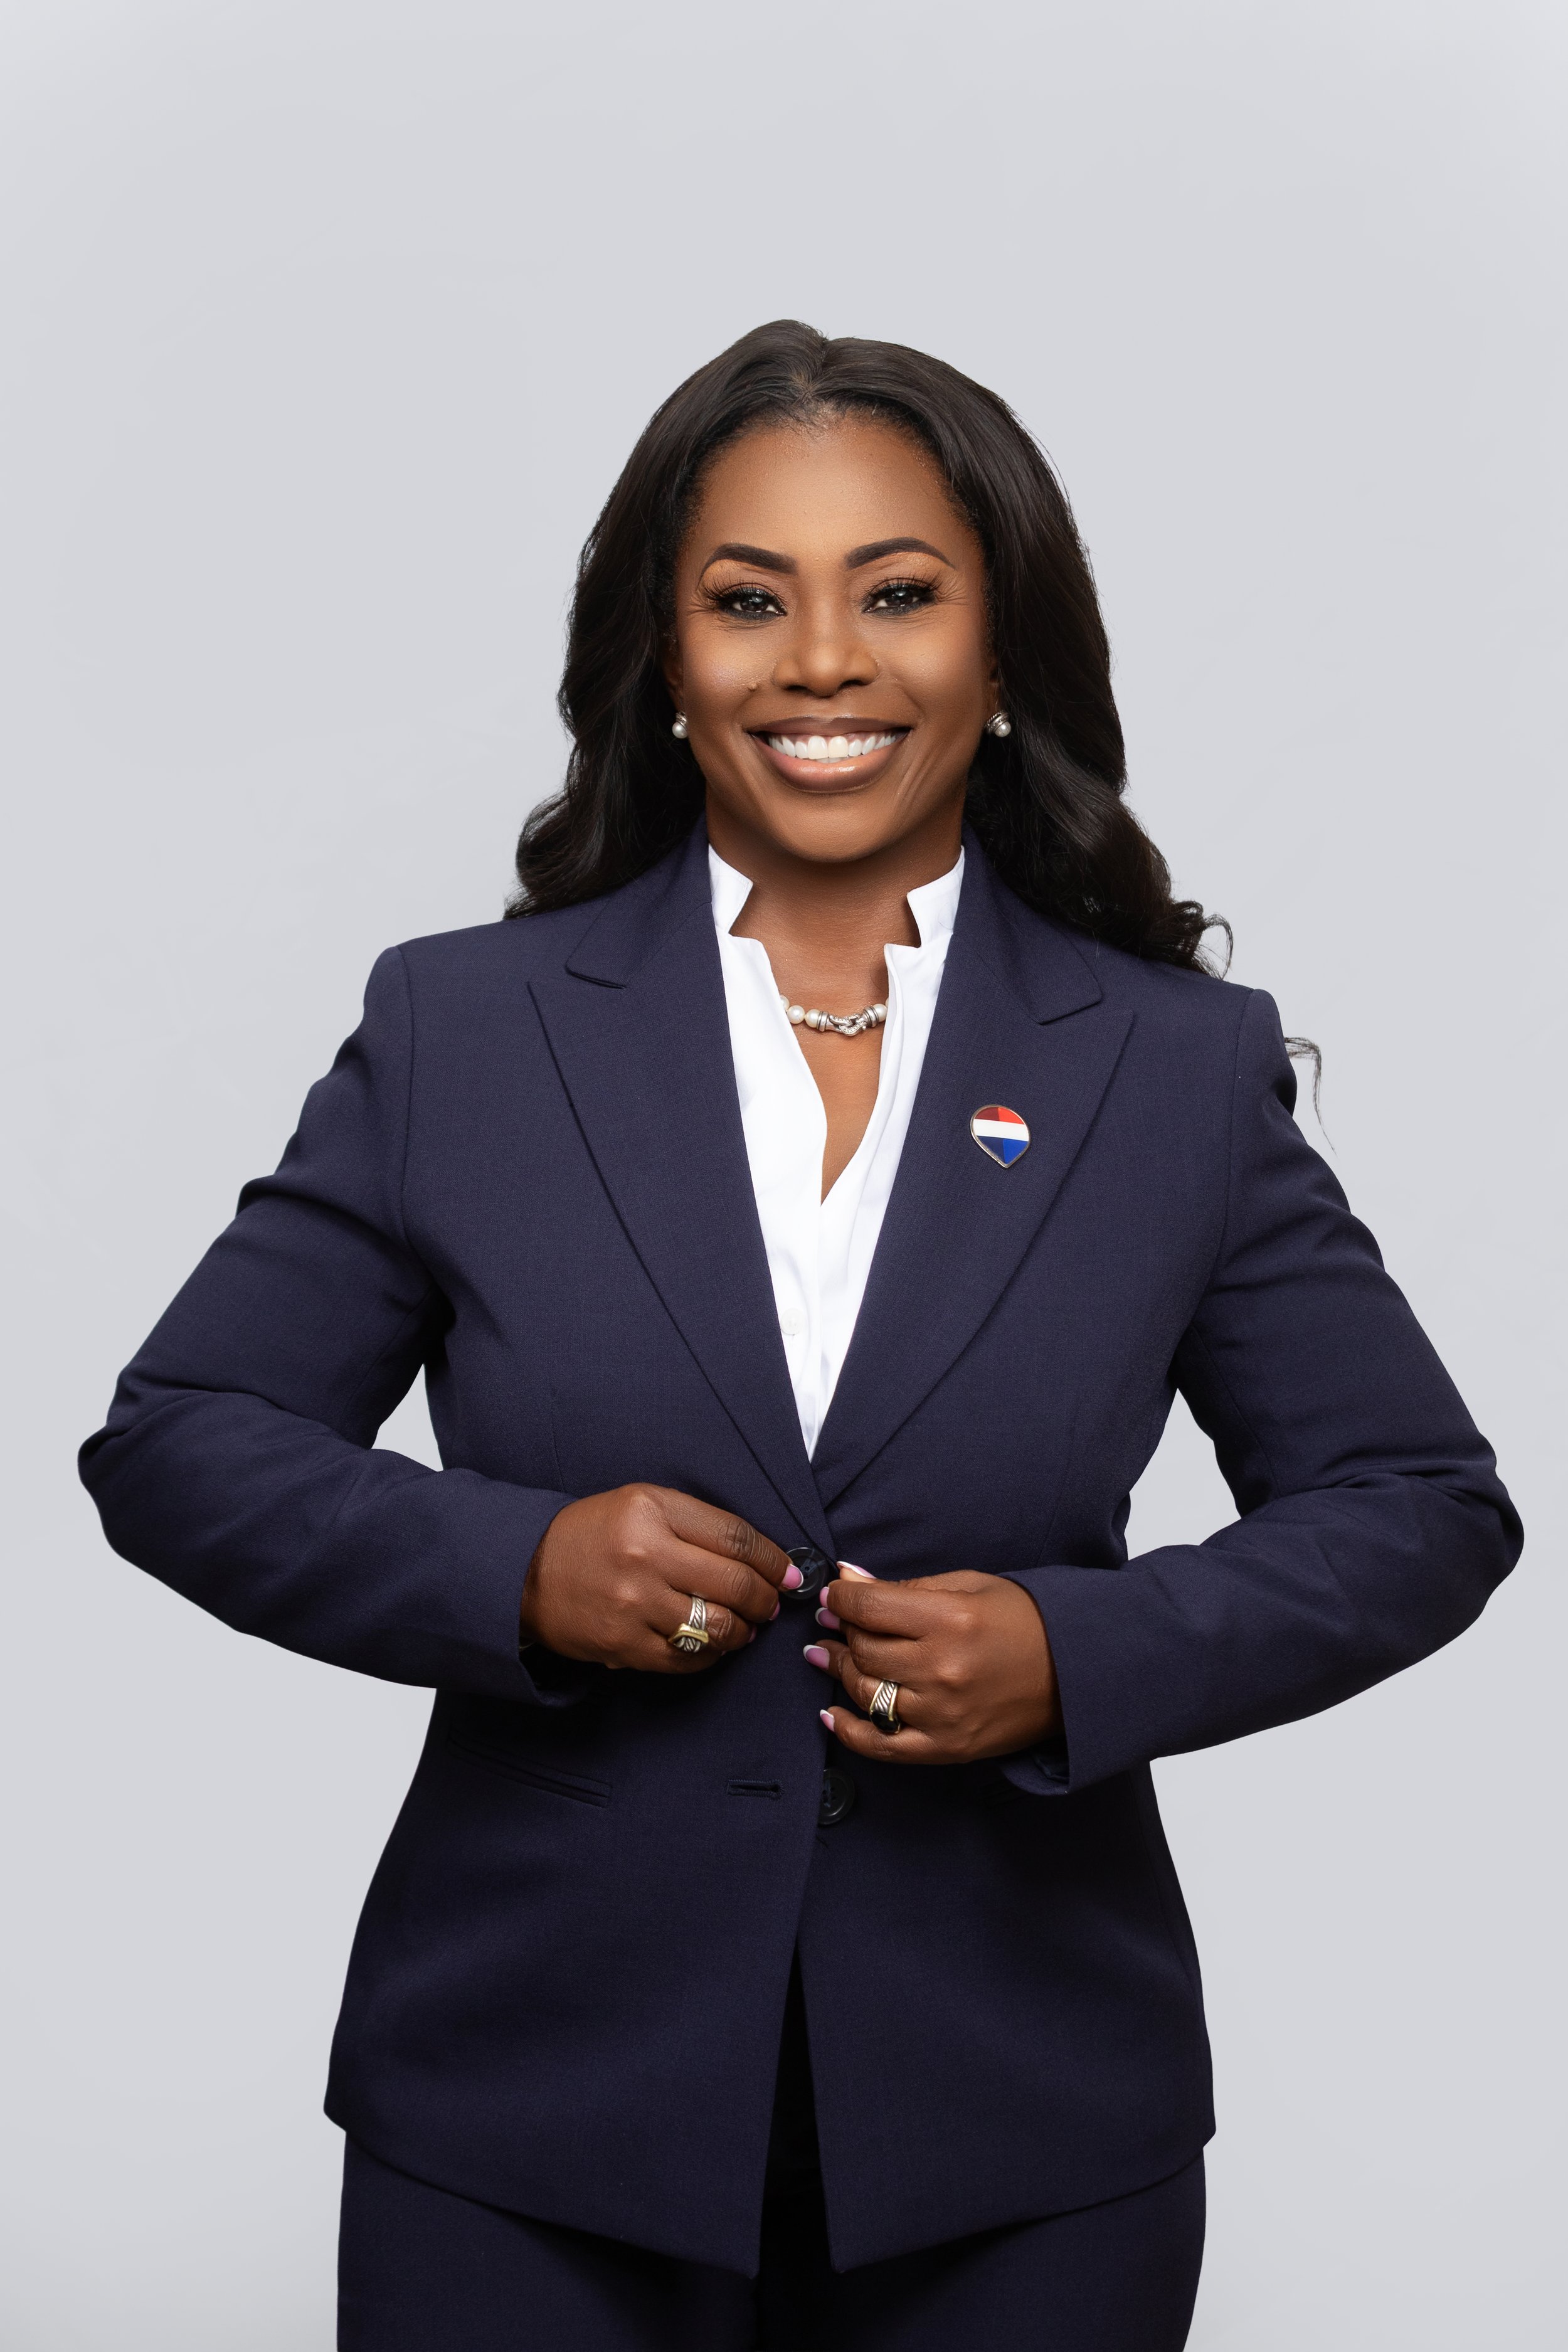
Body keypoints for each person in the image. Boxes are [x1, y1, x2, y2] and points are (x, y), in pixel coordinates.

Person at [78, 320, 1520, 2351]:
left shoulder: (1173, 1073)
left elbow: (1413, 1503)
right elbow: (184, 1434)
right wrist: (515, 1567)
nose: (820, 660)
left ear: (1002, 650)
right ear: (662, 662)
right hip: (525, 2112)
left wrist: (1072, 1654)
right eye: (747, 600)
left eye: (899, 596)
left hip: (1023, 2127)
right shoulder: (461, 1035)